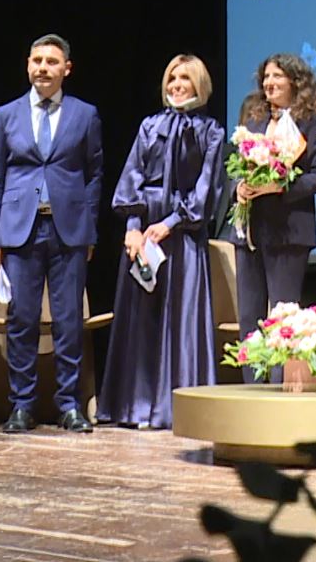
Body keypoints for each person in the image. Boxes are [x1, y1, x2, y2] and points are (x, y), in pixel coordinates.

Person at [0, 34, 103, 433]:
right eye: (36, 60)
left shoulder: (85, 115)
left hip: (68, 230)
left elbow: (94, 175)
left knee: (69, 320)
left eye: (52, 61)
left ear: (66, 68)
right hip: (19, 231)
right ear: (27, 65)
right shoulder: (6, 114)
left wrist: (88, 231)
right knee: (22, 320)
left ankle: (69, 404)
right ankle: (22, 404)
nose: (43, 68)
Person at [99, 54, 224, 429]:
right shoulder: (150, 125)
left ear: (199, 85)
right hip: (144, 235)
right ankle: (135, 406)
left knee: (180, 319)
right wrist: (134, 227)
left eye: (184, 78)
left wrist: (171, 222)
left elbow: (208, 189)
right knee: (143, 319)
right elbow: (132, 177)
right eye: (172, 77)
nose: (176, 85)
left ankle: (175, 408)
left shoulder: (211, 131)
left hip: (182, 236)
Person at [232, 53, 316, 382]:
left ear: (295, 82)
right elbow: (234, 165)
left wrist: (280, 188)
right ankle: (251, 391)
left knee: (282, 317)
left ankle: (277, 391)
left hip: (290, 230)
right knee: (249, 316)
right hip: (250, 229)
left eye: (277, 76)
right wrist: (240, 187)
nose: (269, 83)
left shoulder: (311, 119)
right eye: (266, 77)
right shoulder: (254, 117)